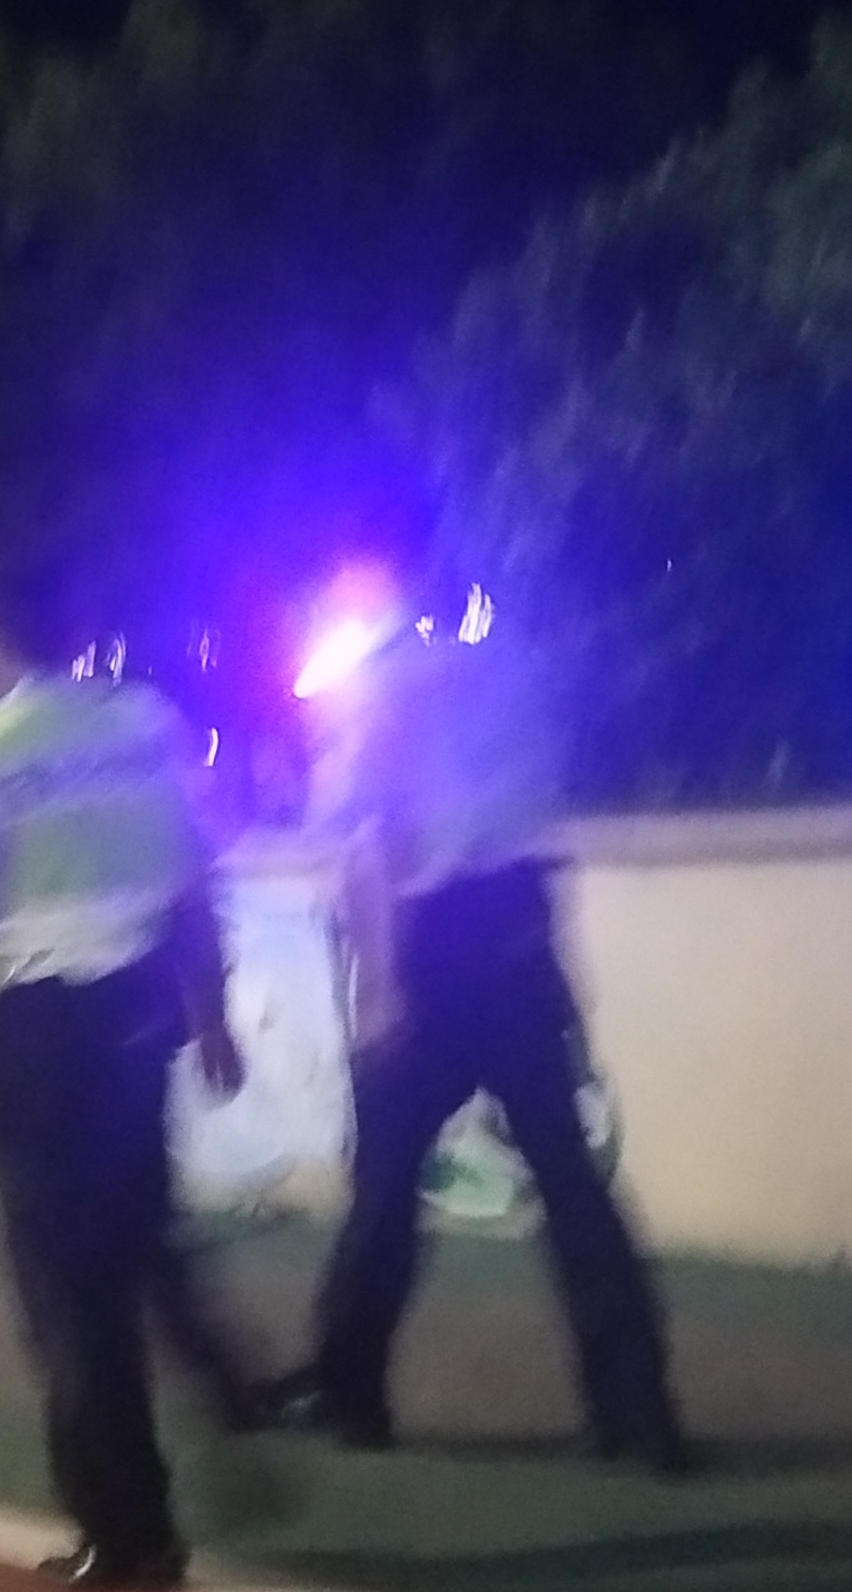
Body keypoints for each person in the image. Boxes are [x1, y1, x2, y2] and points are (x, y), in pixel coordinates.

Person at [251, 578, 687, 1473]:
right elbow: (537, 822)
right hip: (520, 932)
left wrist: (381, 990)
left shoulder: (382, 692)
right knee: (570, 1185)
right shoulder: (514, 674)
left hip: (434, 940)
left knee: (385, 1185)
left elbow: (374, 848)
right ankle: (638, 1413)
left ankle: (352, 1392)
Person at [0, 560, 251, 1588]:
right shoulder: (147, 726)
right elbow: (194, 885)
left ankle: (126, 1536)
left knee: (66, 1301)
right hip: (139, 1020)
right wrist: (214, 1019)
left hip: (41, 1041)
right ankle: (203, 1395)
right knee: (132, 1243)